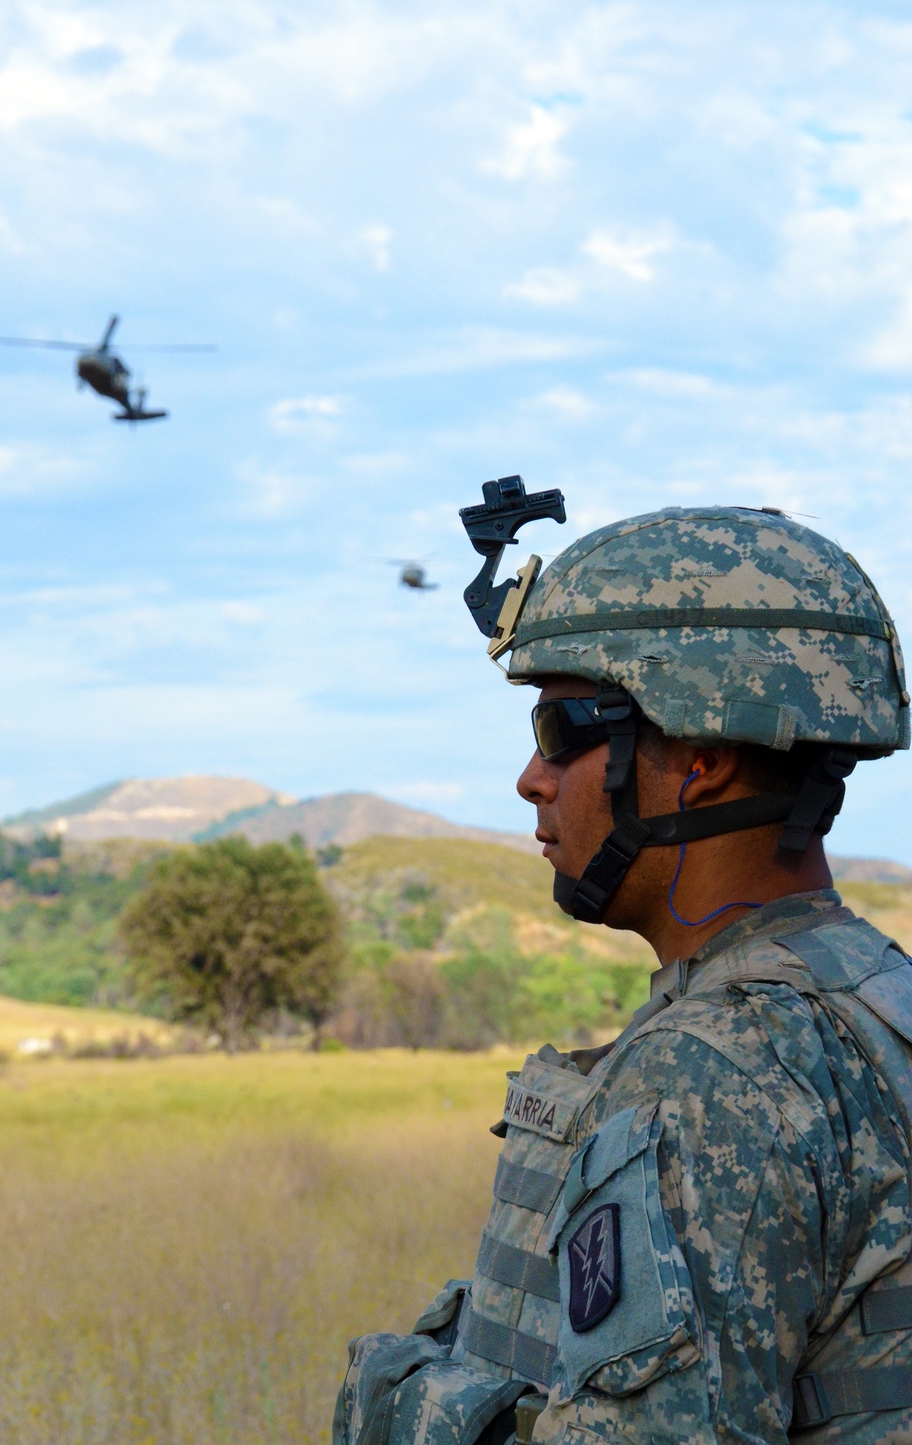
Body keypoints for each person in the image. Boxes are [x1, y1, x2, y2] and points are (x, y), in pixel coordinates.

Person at [333, 503, 912, 1445]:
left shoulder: (713, 1070)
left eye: (563, 728)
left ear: (703, 759)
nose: (532, 777)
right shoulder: (876, 996)